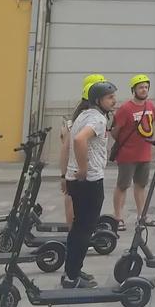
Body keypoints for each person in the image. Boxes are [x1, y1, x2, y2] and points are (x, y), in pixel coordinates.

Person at [63, 80, 118, 288]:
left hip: (75, 179)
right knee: (84, 230)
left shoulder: (84, 114)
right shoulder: (97, 120)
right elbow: (78, 140)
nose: (114, 101)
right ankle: (72, 277)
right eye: (110, 97)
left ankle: (72, 271)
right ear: (98, 100)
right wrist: (84, 168)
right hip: (89, 180)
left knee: (78, 228)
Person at [111, 74, 155, 231]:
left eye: (146, 87)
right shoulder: (125, 109)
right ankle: (118, 217)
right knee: (122, 185)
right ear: (134, 90)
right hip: (127, 155)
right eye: (140, 87)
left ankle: (141, 216)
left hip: (144, 153)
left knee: (141, 185)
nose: (144, 90)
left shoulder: (150, 106)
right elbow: (115, 132)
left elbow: (152, 124)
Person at [60, 73, 105, 226]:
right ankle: (75, 234)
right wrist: (65, 175)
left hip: (77, 173)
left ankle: (75, 234)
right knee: (76, 204)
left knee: (73, 201)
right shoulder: (87, 118)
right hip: (81, 174)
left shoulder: (81, 115)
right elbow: (67, 149)